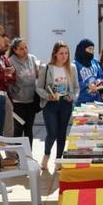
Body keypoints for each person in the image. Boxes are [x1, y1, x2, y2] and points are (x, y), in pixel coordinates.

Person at [36, 42, 79, 171]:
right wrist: (48, 96)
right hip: (50, 104)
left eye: (66, 53)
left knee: (62, 134)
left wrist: (73, 97)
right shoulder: (46, 67)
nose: (64, 56)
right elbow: (39, 87)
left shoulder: (72, 67)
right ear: (55, 53)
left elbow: (76, 87)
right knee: (52, 133)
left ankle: (59, 160)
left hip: (65, 103)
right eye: (61, 53)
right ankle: (46, 155)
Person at [8, 38, 41, 148]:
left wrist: (39, 72)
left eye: (26, 47)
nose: (25, 50)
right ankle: (18, 156)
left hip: (31, 101)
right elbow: (9, 81)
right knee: (18, 130)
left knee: (29, 129)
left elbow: (39, 75)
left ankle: (28, 156)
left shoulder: (32, 59)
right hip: (18, 102)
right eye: (21, 49)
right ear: (15, 50)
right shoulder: (10, 61)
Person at [73, 38, 103, 105]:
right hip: (81, 101)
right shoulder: (75, 64)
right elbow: (73, 82)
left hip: (96, 100)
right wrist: (87, 85)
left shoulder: (95, 62)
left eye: (93, 49)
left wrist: (98, 82)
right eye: (89, 49)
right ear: (82, 49)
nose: (91, 52)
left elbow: (102, 76)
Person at [0, 34, 17, 138]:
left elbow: (13, 78)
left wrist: (9, 73)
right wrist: (4, 73)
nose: (7, 47)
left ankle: (10, 154)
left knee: (9, 129)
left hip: (5, 96)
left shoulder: (4, 59)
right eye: (5, 44)